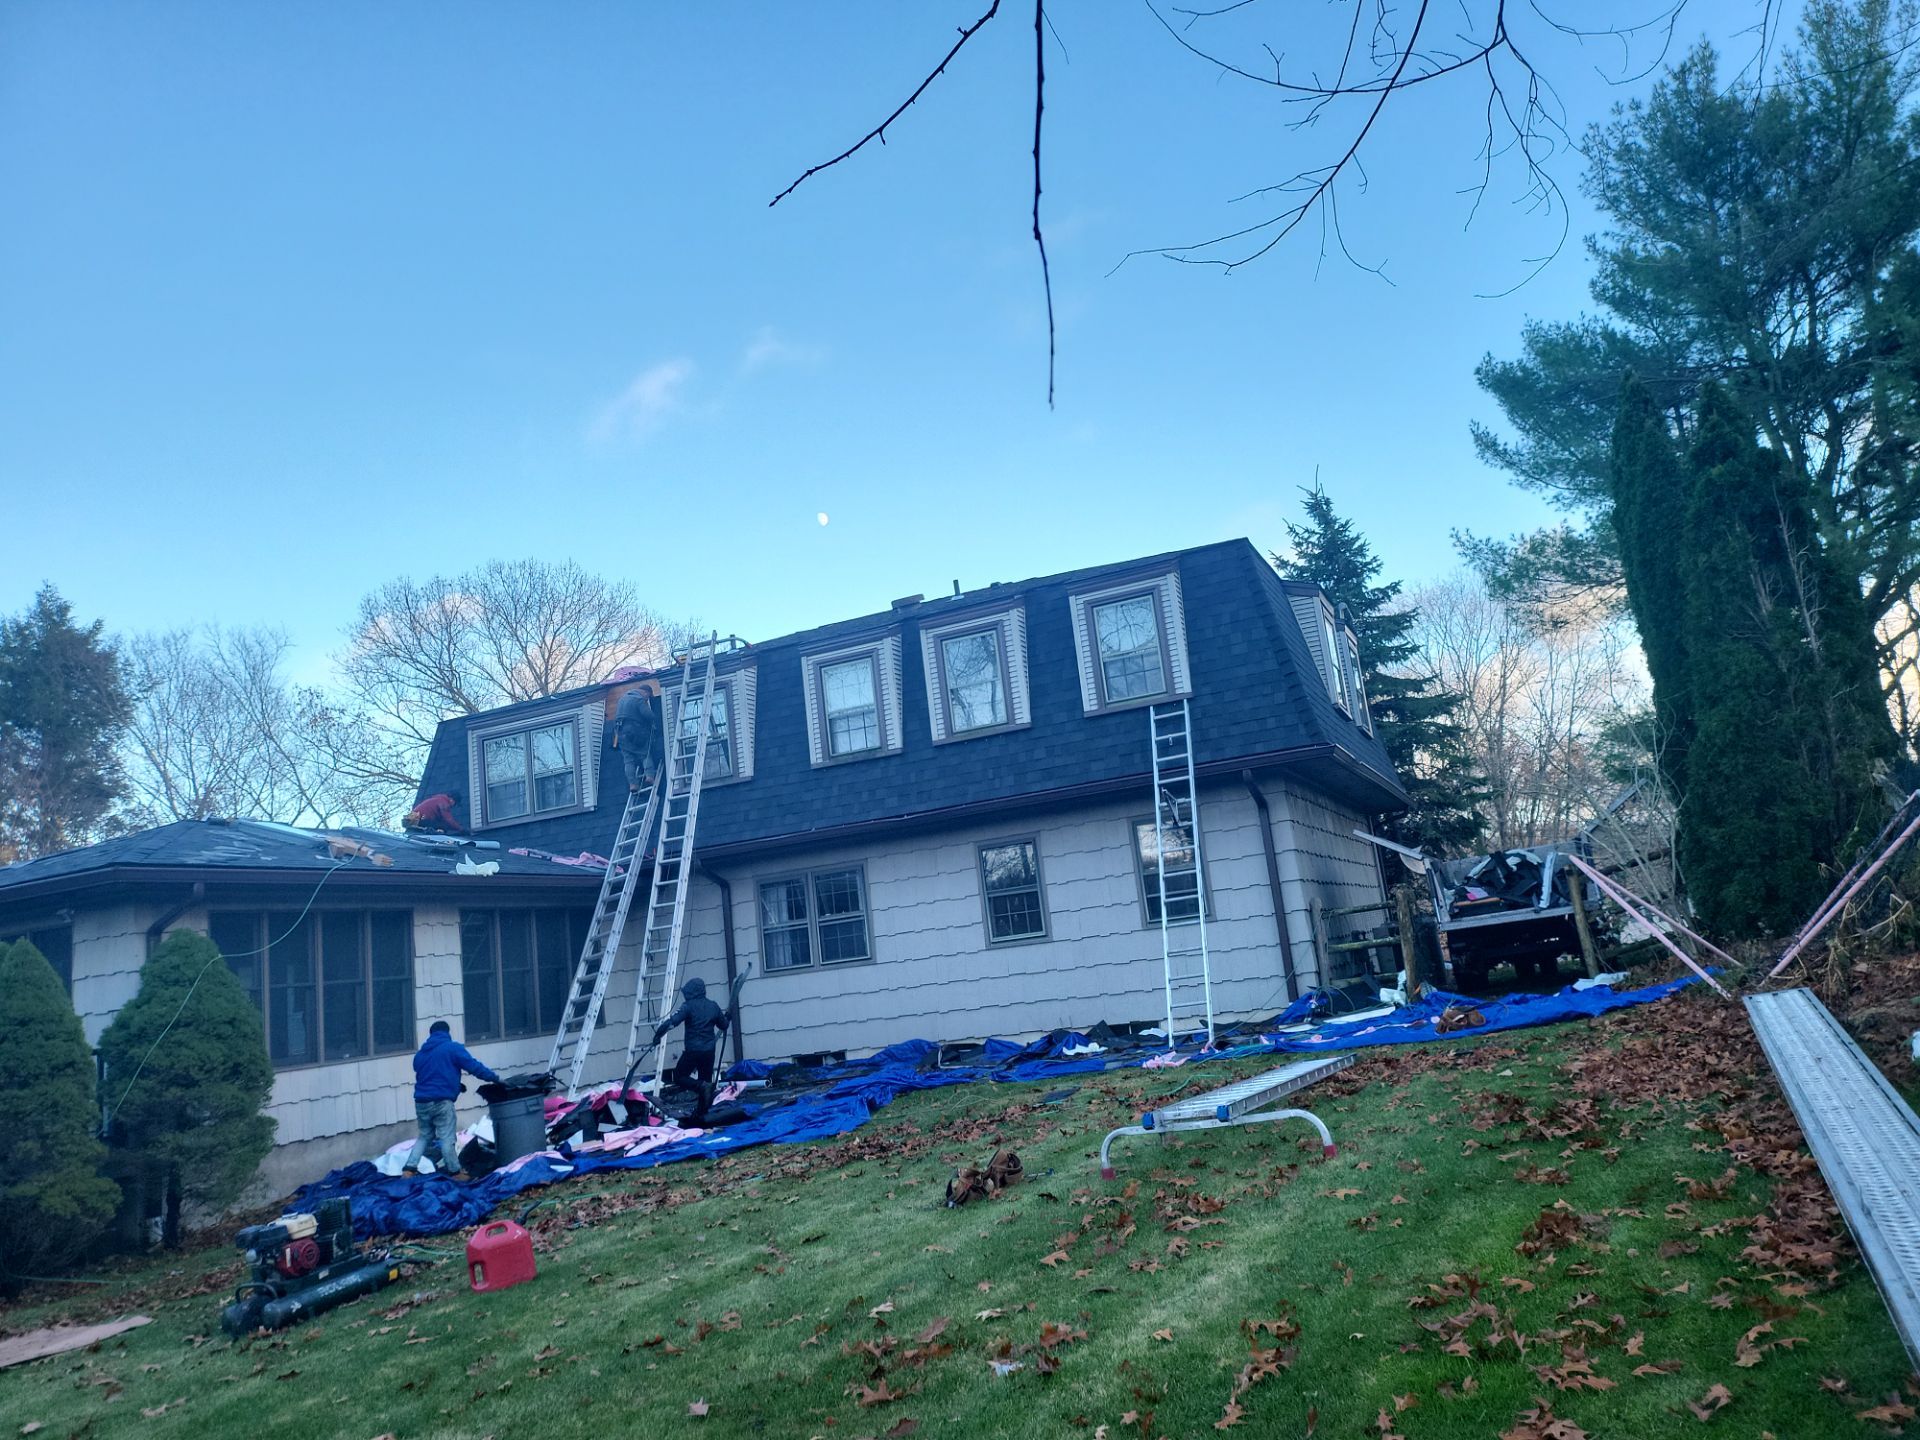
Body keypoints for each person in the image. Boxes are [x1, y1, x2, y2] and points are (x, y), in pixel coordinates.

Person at [404, 1020, 500, 1177]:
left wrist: (456, 1085)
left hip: (421, 1102)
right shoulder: (452, 1048)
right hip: (441, 1102)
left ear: (431, 1034)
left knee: (424, 1136)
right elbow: (473, 1066)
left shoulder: (420, 1055)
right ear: (447, 1032)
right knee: (447, 1138)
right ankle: (455, 1172)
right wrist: (493, 1078)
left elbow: (432, 1074)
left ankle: (409, 1169)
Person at [652, 977, 729, 1122]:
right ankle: (702, 1115)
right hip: (709, 1052)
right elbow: (723, 1026)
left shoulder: (687, 1007)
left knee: (680, 1076)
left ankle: (700, 1090)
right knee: (705, 1084)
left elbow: (671, 1023)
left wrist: (658, 1036)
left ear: (691, 992)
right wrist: (727, 1017)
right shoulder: (713, 1006)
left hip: (693, 1051)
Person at [611, 686, 661, 795]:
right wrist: (655, 719)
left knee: (628, 760)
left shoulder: (622, 699)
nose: (647, 699)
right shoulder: (638, 699)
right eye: (648, 697)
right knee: (645, 754)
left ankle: (633, 784)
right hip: (635, 731)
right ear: (645, 692)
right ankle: (649, 776)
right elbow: (648, 715)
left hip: (619, 733)